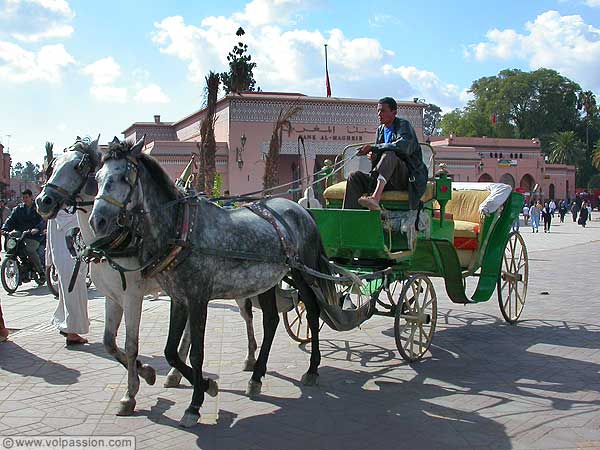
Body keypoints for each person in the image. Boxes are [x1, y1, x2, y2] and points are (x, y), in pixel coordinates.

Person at [342, 97, 428, 211]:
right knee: (354, 177)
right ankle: (348, 218)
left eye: (382, 111)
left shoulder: (403, 125)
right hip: (385, 179)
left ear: (394, 113)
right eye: (378, 111)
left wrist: (374, 147)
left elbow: (403, 147)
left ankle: (375, 198)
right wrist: (373, 156)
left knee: (390, 154)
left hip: (406, 178)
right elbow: (379, 155)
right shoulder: (380, 130)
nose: (379, 114)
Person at [47, 209, 89, 345]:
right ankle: (72, 331)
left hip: (60, 257)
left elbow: (49, 239)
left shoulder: (53, 209)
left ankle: (66, 324)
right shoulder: (76, 212)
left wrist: (49, 260)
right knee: (75, 293)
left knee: (67, 293)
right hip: (73, 258)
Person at [1, 189, 46, 281]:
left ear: (31, 197)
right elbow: (11, 219)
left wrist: (37, 229)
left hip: (35, 236)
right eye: (23, 198)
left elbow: (43, 220)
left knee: (30, 250)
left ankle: (41, 272)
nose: (24, 199)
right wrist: (4, 229)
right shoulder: (18, 209)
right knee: (12, 238)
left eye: (26, 197)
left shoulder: (37, 208)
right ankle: (20, 265)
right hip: (21, 233)